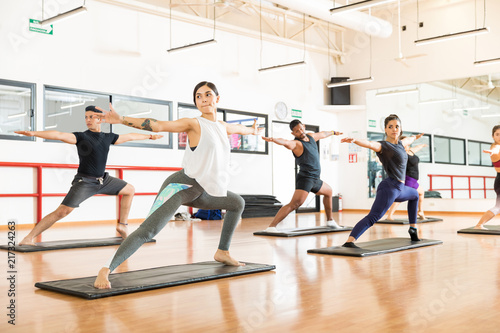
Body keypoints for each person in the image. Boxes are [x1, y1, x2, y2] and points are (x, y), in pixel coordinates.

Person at [94, 81, 262, 289]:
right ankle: (106, 268)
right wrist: (121, 119)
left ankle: (222, 252)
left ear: (217, 99)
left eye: (208, 95)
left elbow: (240, 129)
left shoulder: (222, 126)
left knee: (237, 202)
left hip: (202, 191)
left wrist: (253, 131)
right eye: (198, 97)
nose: (203, 100)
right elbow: (158, 125)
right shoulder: (193, 124)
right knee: (149, 231)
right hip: (181, 187)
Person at [15, 106, 163, 245]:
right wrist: (34, 133)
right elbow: (59, 134)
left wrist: (150, 136)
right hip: (84, 182)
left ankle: (122, 226)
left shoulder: (108, 137)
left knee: (129, 190)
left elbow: (130, 136)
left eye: (92, 117)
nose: (88, 120)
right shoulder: (81, 137)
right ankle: (29, 237)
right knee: (62, 212)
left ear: (100, 119)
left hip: (103, 180)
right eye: (86, 117)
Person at [340, 114, 423, 247]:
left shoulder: (402, 144)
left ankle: (413, 229)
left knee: (414, 195)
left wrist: (416, 137)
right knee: (374, 217)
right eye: (390, 127)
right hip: (389, 188)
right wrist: (355, 140)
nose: (394, 129)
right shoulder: (383, 146)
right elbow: (370, 144)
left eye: (397, 126)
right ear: (385, 129)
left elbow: (409, 139)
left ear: (400, 129)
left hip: (401, 189)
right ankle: (350, 241)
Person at [261, 119, 343, 231]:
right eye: (297, 131)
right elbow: (285, 142)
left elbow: (323, 134)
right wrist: (273, 139)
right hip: (306, 178)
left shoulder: (311, 137)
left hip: (315, 178)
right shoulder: (297, 144)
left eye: (301, 128)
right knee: (294, 204)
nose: (300, 131)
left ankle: (330, 221)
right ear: (293, 133)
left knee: (328, 191)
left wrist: (333, 132)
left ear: (303, 126)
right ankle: (271, 227)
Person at [385, 136, 427, 220]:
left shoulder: (410, 151)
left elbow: (416, 148)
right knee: (401, 197)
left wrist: (422, 145)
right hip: (409, 179)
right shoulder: (401, 154)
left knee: (421, 192)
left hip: (414, 180)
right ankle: (389, 215)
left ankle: (420, 211)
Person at [474, 125, 500, 229]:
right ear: (493, 136)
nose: (499, 136)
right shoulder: (495, 147)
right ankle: (479, 225)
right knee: (498, 207)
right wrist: (493, 152)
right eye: (497, 134)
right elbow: (496, 149)